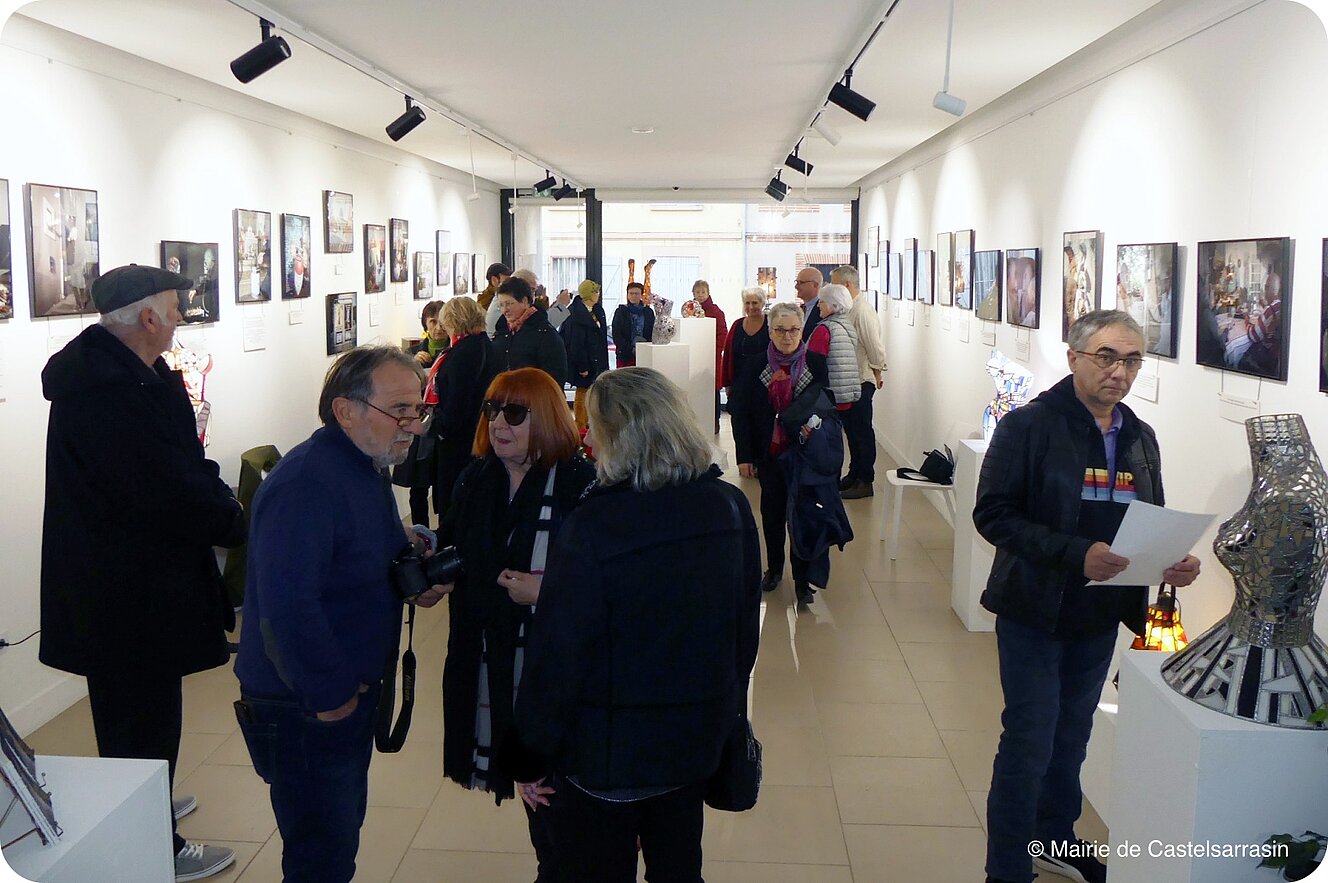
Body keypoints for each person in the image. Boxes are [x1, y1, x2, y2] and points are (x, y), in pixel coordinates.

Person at [508, 367, 761, 883]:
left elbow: (558, 661)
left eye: (593, 427)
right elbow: (743, 635)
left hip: (607, 757)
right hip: (692, 748)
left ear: (619, 436)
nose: (585, 437)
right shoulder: (728, 506)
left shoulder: (594, 526)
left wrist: (528, 759)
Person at [976, 310, 1201, 883]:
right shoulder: (1028, 426)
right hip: (1034, 608)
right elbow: (994, 515)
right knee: (1030, 738)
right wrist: (1077, 553)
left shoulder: (1140, 437)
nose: (1119, 372)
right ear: (1074, 356)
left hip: (1100, 613)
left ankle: (1055, 839)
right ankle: (1006, 870)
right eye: (1106, 356)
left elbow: (1150, 519)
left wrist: (1170, 560)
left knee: (1073, 733)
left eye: (1131, 360)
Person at [40, 264, 244, 882]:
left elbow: (185, 462)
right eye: (175, 308)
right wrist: (236, 522)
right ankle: (154, 841)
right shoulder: (108, 392)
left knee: (148, 708)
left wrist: (222, 504)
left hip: (138, 582)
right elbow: (164, 488)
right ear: (148, 317)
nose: (182, 317)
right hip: (123, 592)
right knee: (138, 712)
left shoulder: (139, 375)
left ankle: (150, 793)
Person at [235, 345, 447, 883]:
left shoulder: (360, 466)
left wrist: (409, 561)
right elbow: (286, 608)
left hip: (335, 692)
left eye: (417, 409)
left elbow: (358, 551)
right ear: (345, 410)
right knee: (320, 857)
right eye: (398, 410)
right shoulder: (308, 482)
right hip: (306, 703)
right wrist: (332, 699)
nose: (412, 426)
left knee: (335, 839)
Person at [410, 367, 595, 883]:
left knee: (562, 798)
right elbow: (456, 550)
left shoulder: (580, 483)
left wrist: (547, 590)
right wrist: (435, 581)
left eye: (515, 413)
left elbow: (609, 585)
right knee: (536, 792)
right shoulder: (475, 478)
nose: (498, 424)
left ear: (549, 417)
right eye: (492, 410)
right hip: (490, 655)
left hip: (553, 668)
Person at [730, 302, 847, 605]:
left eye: (794, 329)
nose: (787, 336)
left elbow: (830, 407)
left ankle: (802, 579)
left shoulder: (817, 363)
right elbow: (740, 411)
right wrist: (744, 455)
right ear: (770, 331)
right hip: (770, 453)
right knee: (772, 513)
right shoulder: (756, 365)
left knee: (805, 515)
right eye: (780, 330)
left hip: (806, 456)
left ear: (801, 330)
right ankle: (774, 569)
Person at [426, 296, 497, 523]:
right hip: (479, 435)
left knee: (455, 503)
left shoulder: (464, 353)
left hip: (459, 441)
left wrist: (439, 427)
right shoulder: (485, 345)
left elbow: (458, 400)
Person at [830, 266, 887, 500]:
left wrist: (877, 371)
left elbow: (874, 346)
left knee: (862, 431)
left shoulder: (862, 311)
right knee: (852, 430)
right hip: (851, 380)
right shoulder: (849, 309)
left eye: (834, 285)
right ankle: (854, 475)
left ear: (846, 286)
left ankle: (865, 480)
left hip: (862, 379)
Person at [492, 275, 568, 386]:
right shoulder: (501, 331)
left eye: (509, 304)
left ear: (525, 301)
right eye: (501, 305)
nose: (504, 310)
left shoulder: (545, 334)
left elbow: (555, 379)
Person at [563, 279, 610, 431]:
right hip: (585, 361)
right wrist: (582, 366)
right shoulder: (576, 314)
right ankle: (580, 426)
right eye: (596, 292)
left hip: (598, 359)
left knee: (594, 393)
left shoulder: (597, 310)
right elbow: (576, 344)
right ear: (589, 294)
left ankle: (592, 424)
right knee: (583, 392)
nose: (598, 295)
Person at [720, 287, 770, 400]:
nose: (751, 307)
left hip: (764, 386)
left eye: (755, 303)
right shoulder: (737, 325)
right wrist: (726, 384)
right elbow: (727, 355)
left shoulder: (770, 324)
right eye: (747, 303)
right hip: (739, 384)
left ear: (762, 303)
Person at [690, 279, 727, 433]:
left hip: (712, 356)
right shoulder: (689, 310)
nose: (700, 295)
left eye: (703, 292)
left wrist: (715, 350)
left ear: (708, 293)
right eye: (697, 292)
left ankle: (715, 420)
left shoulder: (716, 312)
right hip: (695, 355)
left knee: (713, 389)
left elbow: (722, 334)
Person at [610, 281, 654, 368]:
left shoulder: (648, 312)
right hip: (625, 354)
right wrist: (629, 349)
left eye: (637, 294)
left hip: (644, 352)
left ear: (641, 295)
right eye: (631, 293)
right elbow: (616, 333)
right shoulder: (621, 311)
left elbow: (652, 331)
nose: (633, 296)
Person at [410, 299, 448, 369]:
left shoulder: (457, 350)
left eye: (442, 322)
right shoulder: (411, 352)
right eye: (433, 322)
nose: (438, 328)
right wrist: (413, 364)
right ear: (425, 324)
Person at [794, 266, 824, 341]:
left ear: (815, 285)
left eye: (801, 282)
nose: (796, 286)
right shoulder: (801, 309)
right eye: (796, 282)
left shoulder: (823, 310)